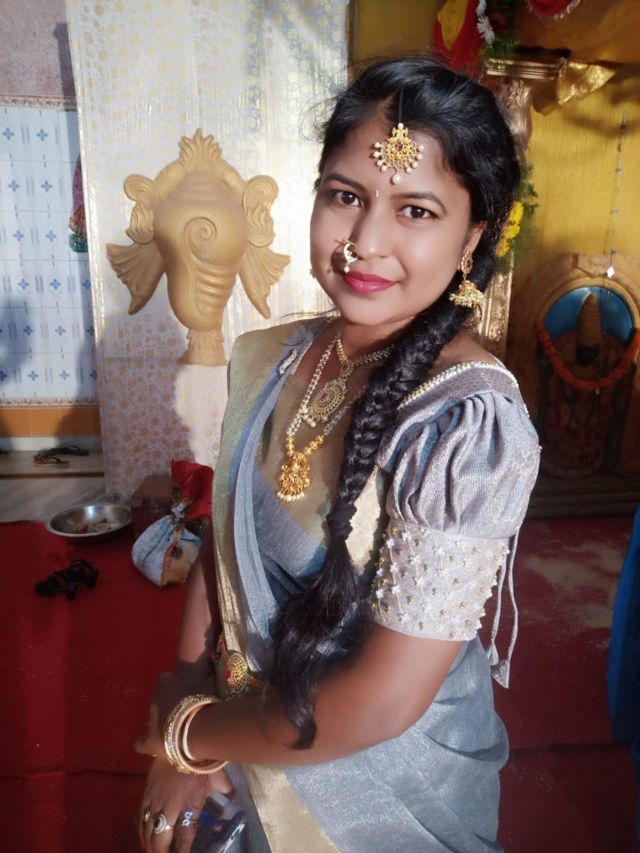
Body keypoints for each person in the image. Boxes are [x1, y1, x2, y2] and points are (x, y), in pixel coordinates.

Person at [135, 55, 540, 852]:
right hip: (243, 723)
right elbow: (225, 543)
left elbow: (380, 703)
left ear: (473, 236)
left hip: (381, 787)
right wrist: (187, 685)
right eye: (346, 196)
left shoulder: (465, 425)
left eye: (416, 210)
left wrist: (189, 736)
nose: (365, 242)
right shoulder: (274, 355)